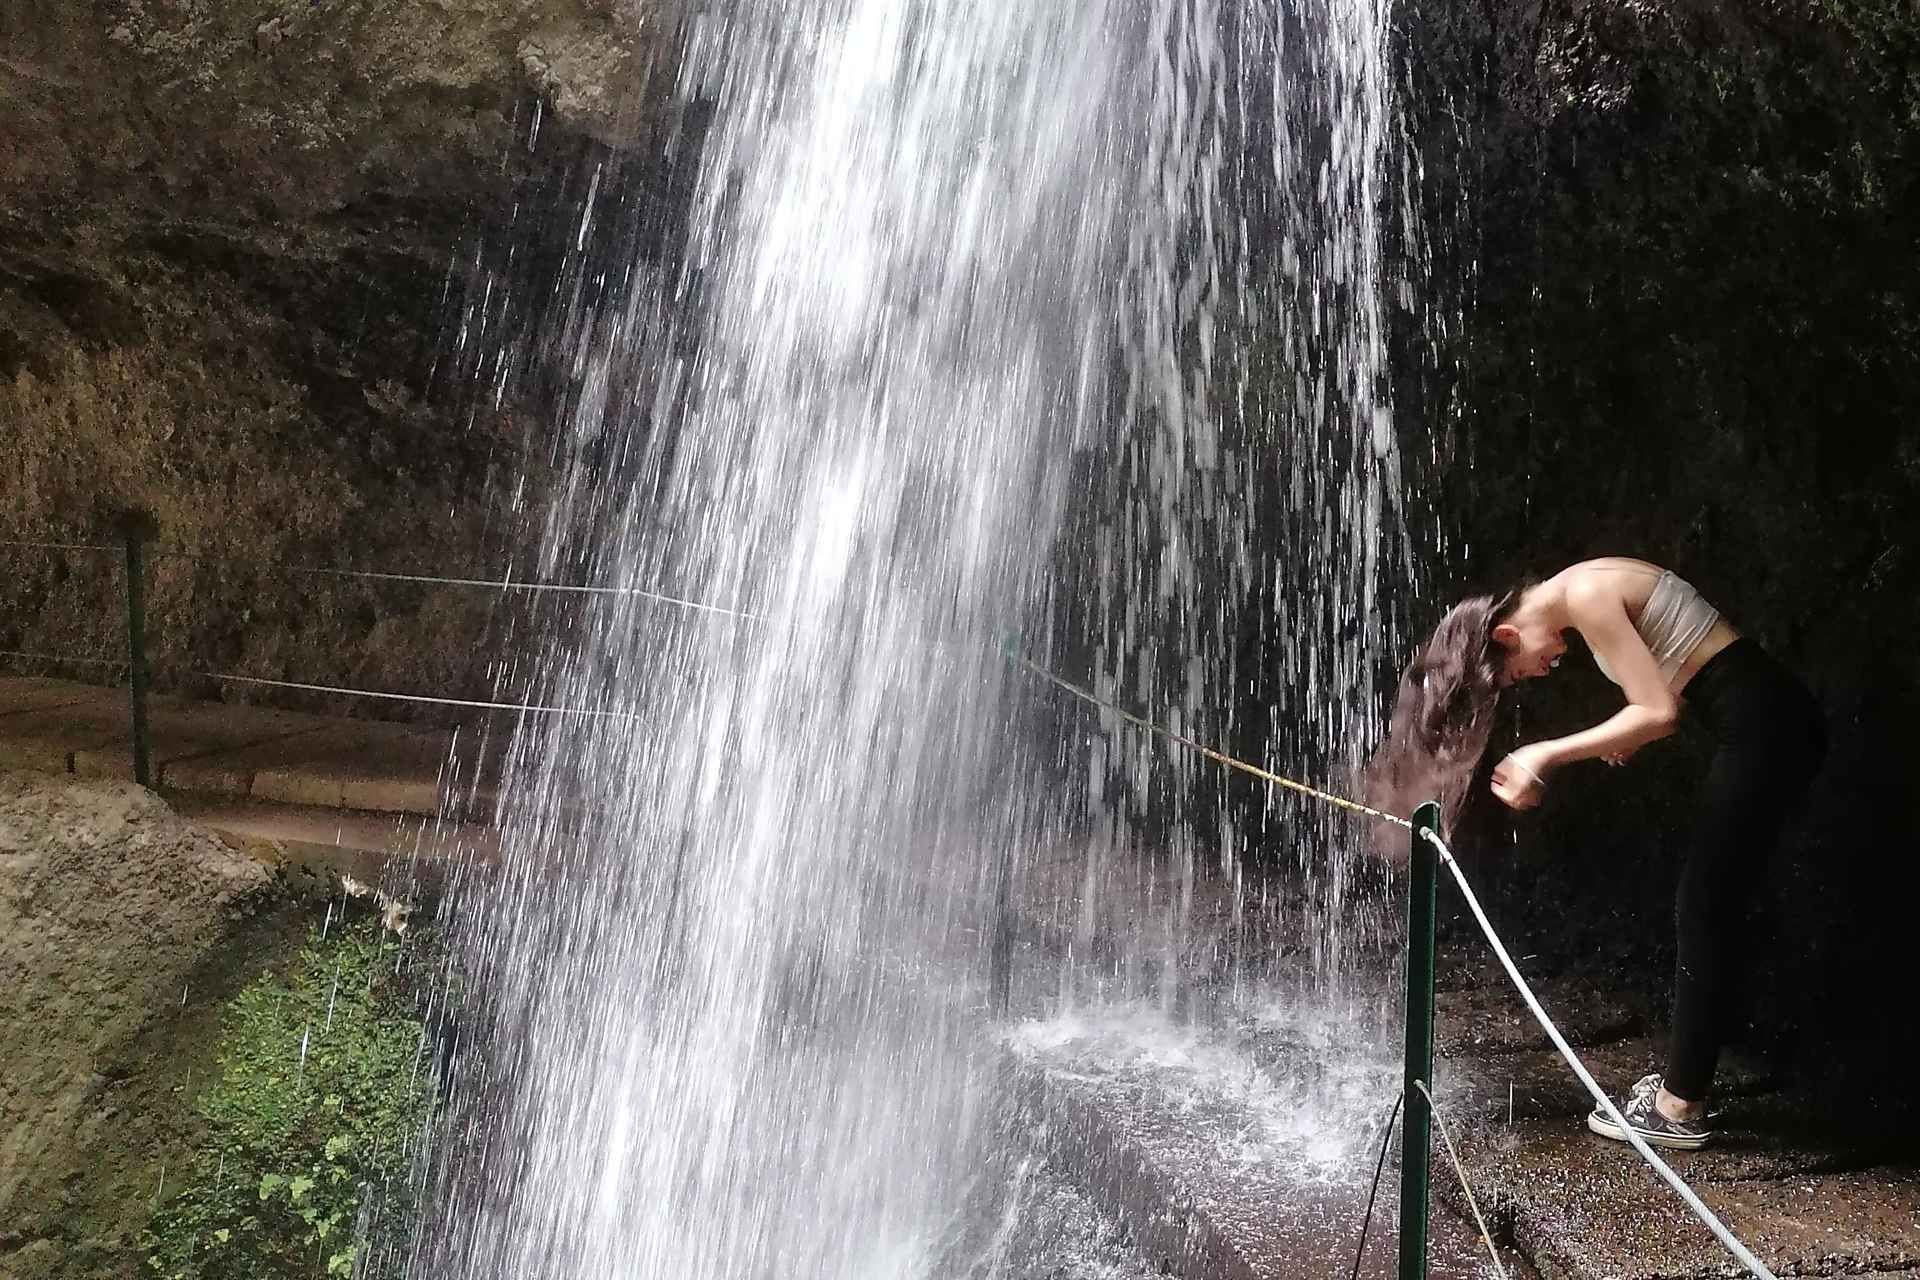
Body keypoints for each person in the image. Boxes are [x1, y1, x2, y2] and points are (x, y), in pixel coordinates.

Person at [1366, 557, 1825, 1150]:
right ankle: (1685, 1086)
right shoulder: (1583, 589)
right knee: (1713, 900)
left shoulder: (1584, 593)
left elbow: (1656, 714)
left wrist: (1545, 754)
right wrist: (1625, 734)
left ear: (1507, 635)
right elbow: (1672, 693)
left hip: (1767, 727)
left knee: (1705, 904)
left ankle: (1680, 1108)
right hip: (1765, 722)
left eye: (1514, 673)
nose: (1537, 673)